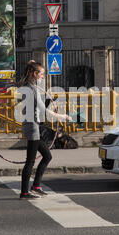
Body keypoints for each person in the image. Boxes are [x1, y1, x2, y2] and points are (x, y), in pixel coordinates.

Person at [18, 60, 72, 199]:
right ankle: (24, 192)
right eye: (41, 74)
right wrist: (62, 116)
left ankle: (35, 186)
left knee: (47, 156)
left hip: (33, 125)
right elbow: (45, 110)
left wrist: (33, 63)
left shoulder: (29, 86)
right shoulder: (31, 89)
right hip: (32, 126)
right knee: (30, 161)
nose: (43, 77)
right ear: (35, 74)